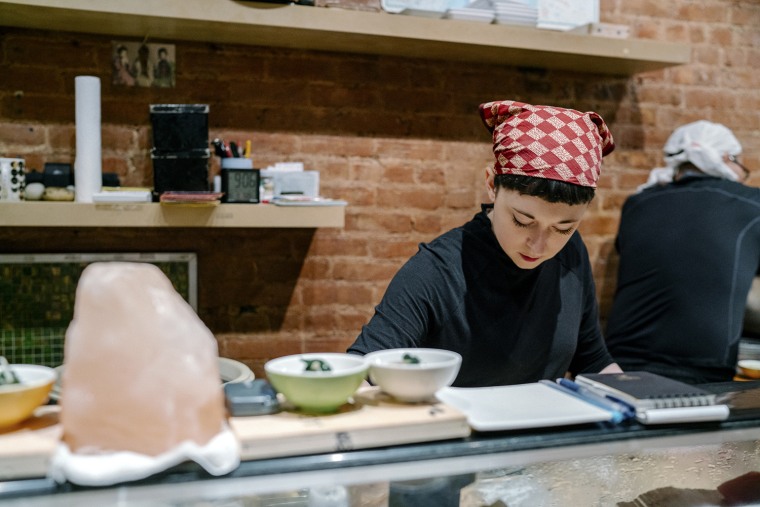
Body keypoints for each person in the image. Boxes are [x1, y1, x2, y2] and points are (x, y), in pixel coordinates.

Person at [348, 100, 622, 387]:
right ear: (492, 185)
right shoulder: (437, 271)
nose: (539, 246)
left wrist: (645, 401)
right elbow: (366, 373)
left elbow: (592, 360)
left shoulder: (571, 252)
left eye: (563, 228)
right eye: (522, 220)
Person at [604, 120, 760, 384]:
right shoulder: (752, 204)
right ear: (725, 158)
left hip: (616, 363)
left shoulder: (637, 203)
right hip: (701, 368)